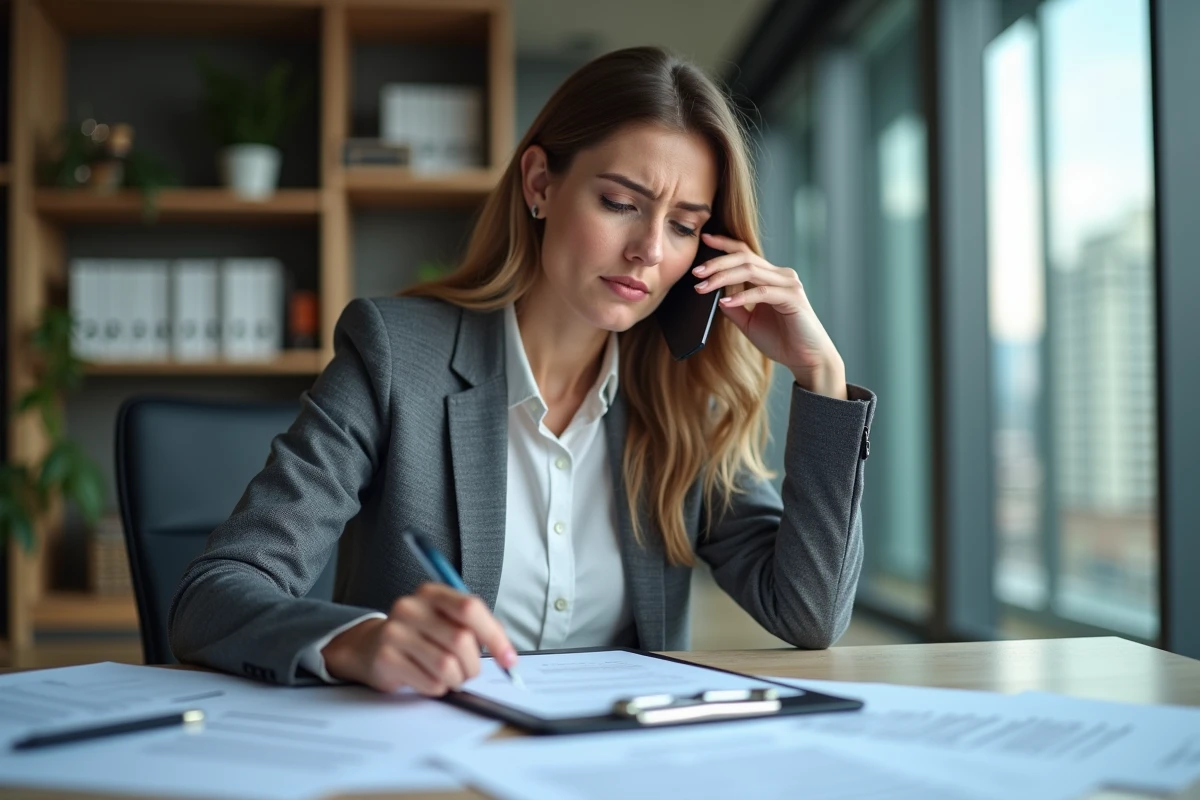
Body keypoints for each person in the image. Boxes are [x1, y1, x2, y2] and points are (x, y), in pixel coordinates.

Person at [169, 46, 876, 695]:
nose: (650, 251)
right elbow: (214, 593)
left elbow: (809, 613)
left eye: (685, 225)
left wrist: (820, 375)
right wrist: (359, 641)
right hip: (427, 752)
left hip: (621, 757)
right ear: (540, 183)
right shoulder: (394, 358)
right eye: (620, 203)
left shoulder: (682, 396)